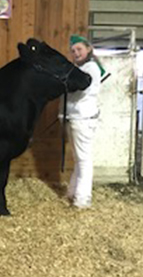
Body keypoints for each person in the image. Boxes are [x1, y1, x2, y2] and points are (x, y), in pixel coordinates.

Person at [62, 34, 105, 209]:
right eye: (73, 51)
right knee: (79, 158)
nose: (76, 53)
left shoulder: (90, 68)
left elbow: (78, 91)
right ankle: (73, 193)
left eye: (79, 49)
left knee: (84, 159)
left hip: (82, 118)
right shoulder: (83, 67)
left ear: (88, 49)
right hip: (76, 118)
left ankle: (83, 199)